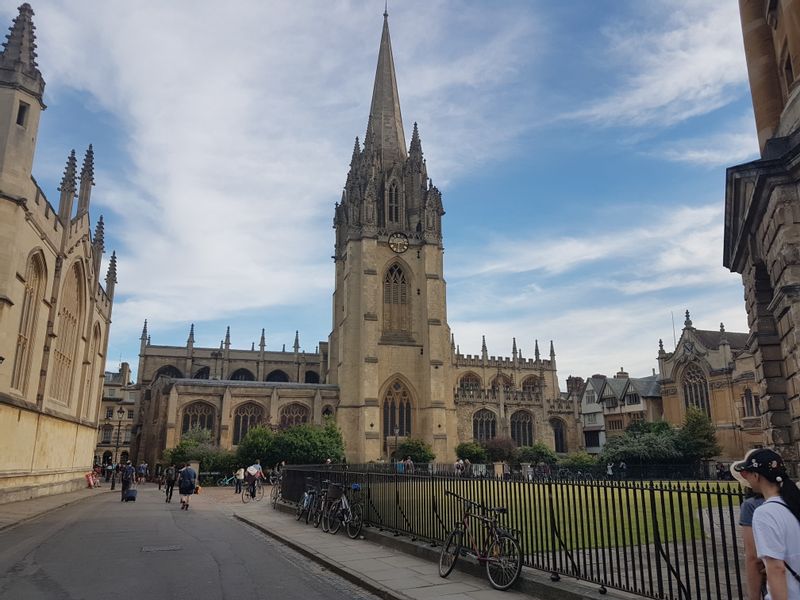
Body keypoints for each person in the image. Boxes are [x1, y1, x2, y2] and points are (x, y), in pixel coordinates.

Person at [733, 448, 800, 600]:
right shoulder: (794, 504)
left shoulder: (765, 513)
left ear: (756, 476)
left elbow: (776, 569)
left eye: (747, 473)